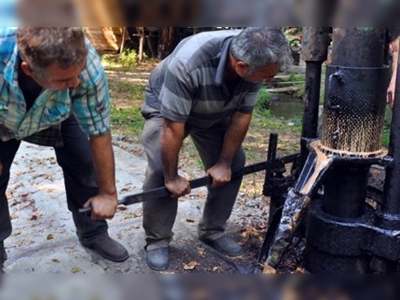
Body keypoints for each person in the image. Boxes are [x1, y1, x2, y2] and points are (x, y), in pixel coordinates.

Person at [141, 27, 292, 271]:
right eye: (266, 76)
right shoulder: (188, 63)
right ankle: (157, 240)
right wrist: (172, 177)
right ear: (242, 67)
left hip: (216, 107)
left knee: (233, 163)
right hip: (167, 108)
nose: (269, 80)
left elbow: (242, 115)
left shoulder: (256, 57)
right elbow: (172, 127)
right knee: (160, 170)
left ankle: (212, 230)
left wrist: (223, 163)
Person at [0, 27, 129, 273]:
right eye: (64, 79)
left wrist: (108, 194)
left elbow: (99, 132)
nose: (76, 83)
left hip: (59, 111)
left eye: (77, 74)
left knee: (84, 161)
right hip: (3, 117)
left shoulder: (85, 63)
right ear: (29, 69)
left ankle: (94, 232)